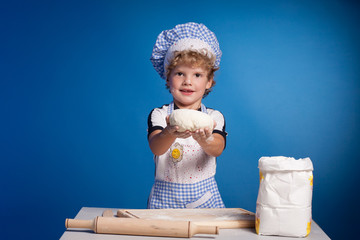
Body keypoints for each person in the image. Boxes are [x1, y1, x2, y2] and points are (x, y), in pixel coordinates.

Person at [147, 22, 227, 209]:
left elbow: (218, 148)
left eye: (197, 75)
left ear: (209, 82)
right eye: (180, 73)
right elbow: (156, 147)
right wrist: (169, 132)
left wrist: (204, 140)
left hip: (204, 199)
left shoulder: (214, 116)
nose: (188, 82)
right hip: (164, 200)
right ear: (168, 77)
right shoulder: (160, 114)